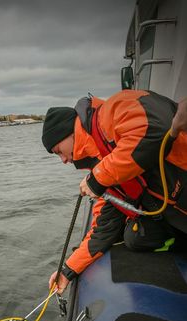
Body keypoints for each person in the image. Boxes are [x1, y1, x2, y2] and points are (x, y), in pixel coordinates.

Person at [41, 90, 187, 294]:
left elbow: (155, 129)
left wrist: (99, 177)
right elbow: (103, 227)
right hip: (178, 212)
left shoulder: (113, 110)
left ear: (68, 132)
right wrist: (68, 270)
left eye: (58, 151)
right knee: (136, 237)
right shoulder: (103, 163)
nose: (63, 160)